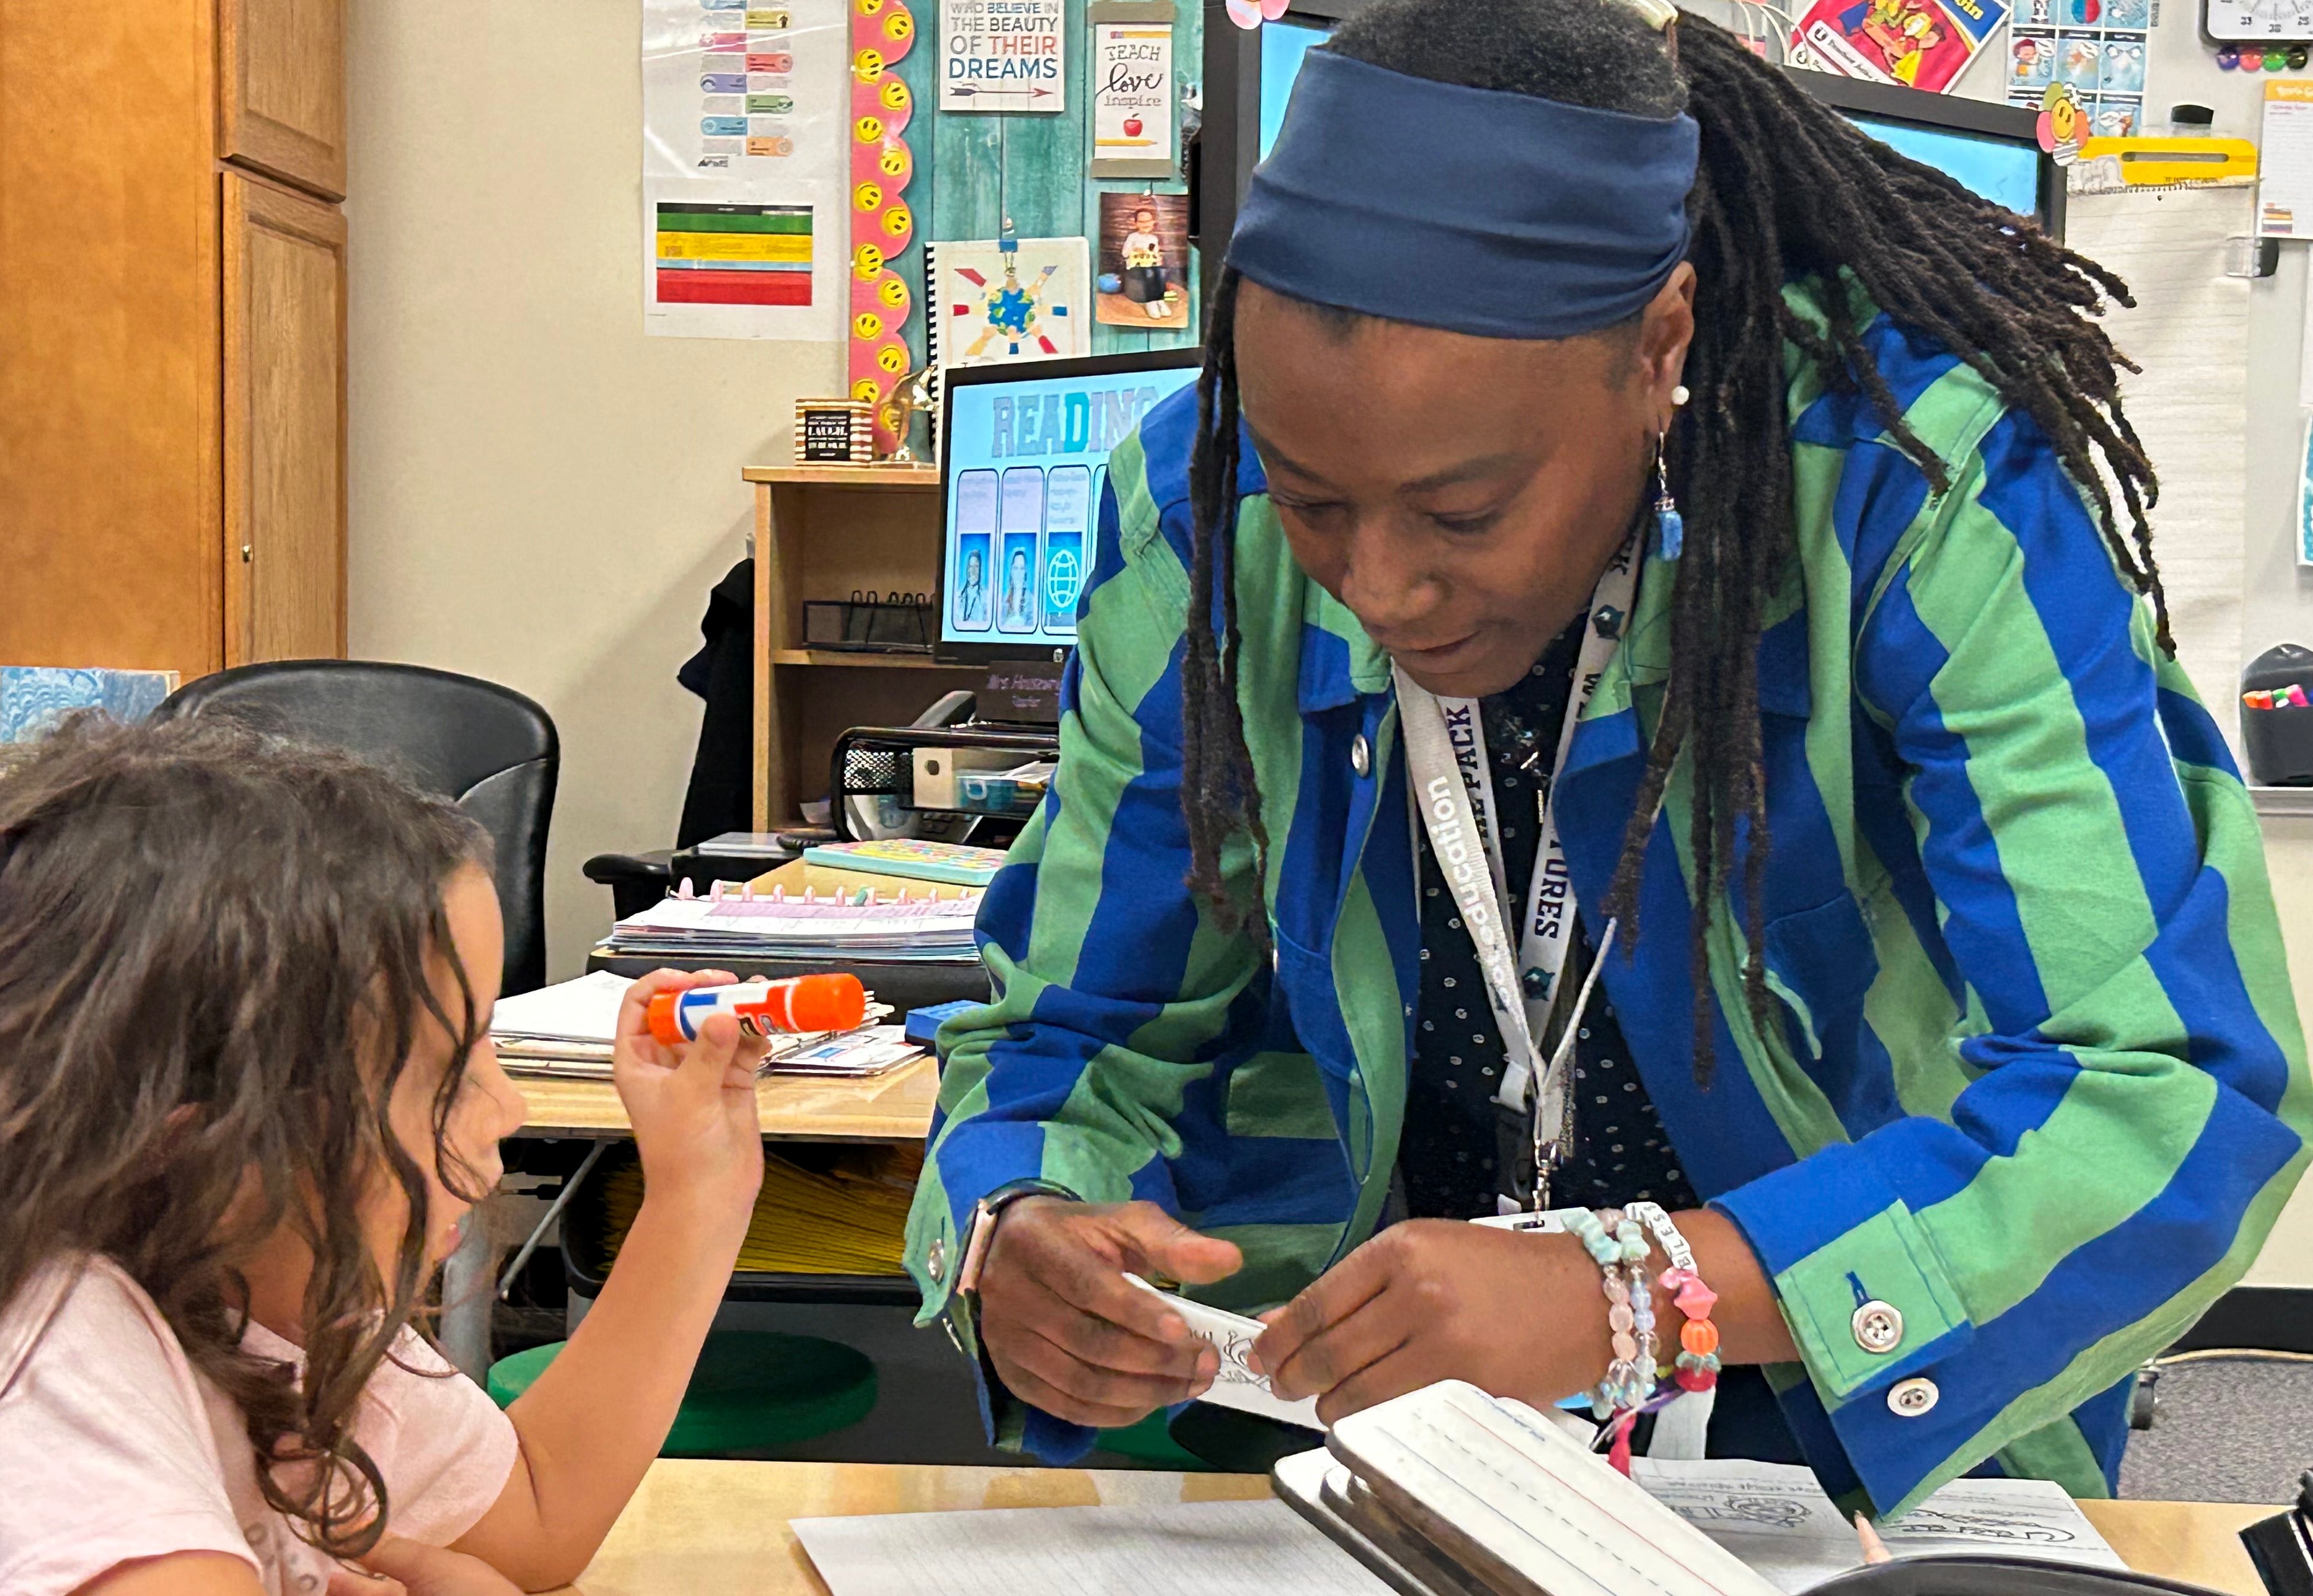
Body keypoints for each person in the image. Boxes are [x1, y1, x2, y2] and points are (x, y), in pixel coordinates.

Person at [906, 0, 2309, 1520]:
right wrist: (1017, 1220)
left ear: (1659, 348)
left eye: (1461, 514)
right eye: (1313, 503)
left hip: (1854, 1436)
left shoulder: (1920, 493)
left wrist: (1638, 1295)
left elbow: (2172, 1097)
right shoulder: (1200, 517)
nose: (1379, 587)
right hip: (1377, 1439)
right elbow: (1079, 1026)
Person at [0, 716, 768, 1596]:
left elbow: (535, 1517)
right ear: (208, 1143)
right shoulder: (39, 1361)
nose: (507, 1109)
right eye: (450, 1071)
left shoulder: (268, 1307)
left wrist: (698, 1188)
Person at [1121, 205, 1172, 322]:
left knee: (1159, 273)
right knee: (1149, 274)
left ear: (1153, 222)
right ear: (1135, 223)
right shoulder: (1133, 237)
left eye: (1149, 221)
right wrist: (1135, 251)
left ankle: (1160, 301)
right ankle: (1150, 302)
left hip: (1150, 264)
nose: (1146, 224)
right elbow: (1125, 253)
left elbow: (1155, 253)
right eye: (1142, 222)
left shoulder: (1153, 238)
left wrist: (1157, 258)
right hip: (1136, 265)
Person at [957, 547, 991, 629]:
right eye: (971, 566)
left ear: (980, 570)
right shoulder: (958, 596)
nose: (973, 571)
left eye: (976, 567)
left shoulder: (986, 597)